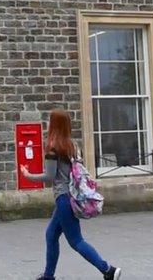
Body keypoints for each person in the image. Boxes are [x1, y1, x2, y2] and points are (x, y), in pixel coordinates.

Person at [21, 109, 121, 280]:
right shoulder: (73, 146)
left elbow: (49, 176)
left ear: (54, 125)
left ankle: (108, 270)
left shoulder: (53, 148)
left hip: (64, 199)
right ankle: (48, 276)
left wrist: (27, 174)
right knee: (51, 235)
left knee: (76, 241)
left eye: (50, 121)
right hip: (72, 196)